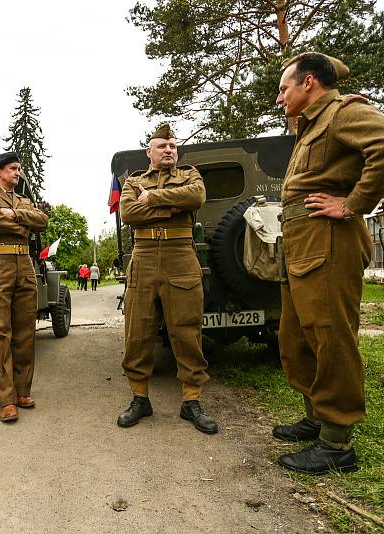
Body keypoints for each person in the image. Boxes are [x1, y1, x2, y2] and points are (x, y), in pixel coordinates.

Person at [273, 52, 384, 474]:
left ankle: (337, 444)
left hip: (328, 238)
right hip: (301, 239)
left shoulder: (341, 113)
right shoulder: (310, 125)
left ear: (309, 83)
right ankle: (317, 416)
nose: (279, 97)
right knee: (296, 335)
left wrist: (353, 204)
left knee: (330, 334)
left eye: (284, 88)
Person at [116, 123, 217, 434]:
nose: (169, 150)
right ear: (150, 152)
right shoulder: (134, 181)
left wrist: (152, 199)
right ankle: (139, 398)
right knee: (138, 331)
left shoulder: (190, 175)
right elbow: (129, 214)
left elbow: (196, 197)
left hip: (180, 255)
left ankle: (191, 401)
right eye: (162, 146)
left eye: (173, 146)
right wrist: (172, 204)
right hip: (144, 255)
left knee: (186, 330)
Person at [0, 152, 49, 422]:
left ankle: (23, 391)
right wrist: (22, 222)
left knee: (26, 329)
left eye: (18, 169)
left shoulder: (23, 200)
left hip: (23, 263)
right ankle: (6, 399)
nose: (17, 173)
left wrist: (14, 213)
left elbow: (42, 221)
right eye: (13, 169)